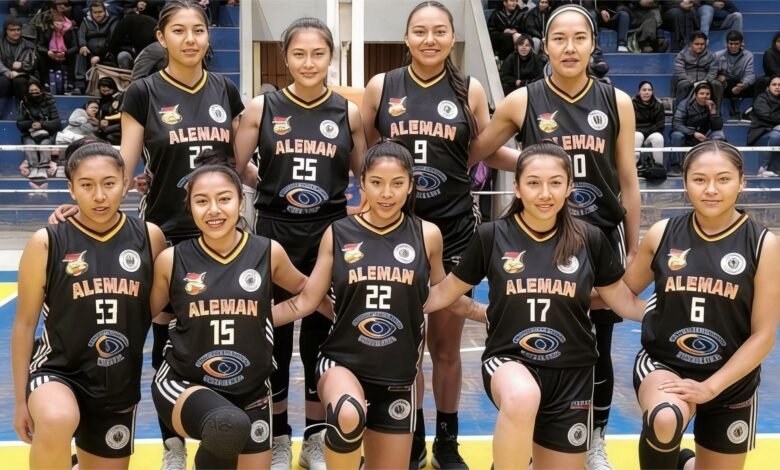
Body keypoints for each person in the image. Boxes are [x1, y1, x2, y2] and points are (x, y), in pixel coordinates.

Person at [51, 1, 245, 467]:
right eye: (179, 30)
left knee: (222, 332)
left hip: (221, 232)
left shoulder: (225, 90)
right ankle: (171, 443)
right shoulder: (143, 91)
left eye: (199, 30)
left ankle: (222, 429)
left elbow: (239, 165)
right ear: (161, 37)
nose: (190, 39)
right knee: (161, 334)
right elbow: (126, 158)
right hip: (165, 231)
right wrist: (89, 202)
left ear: (208, 36)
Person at [468, 5, 640, 469]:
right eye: (559, 38)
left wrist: (633, 243)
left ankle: (594, 438)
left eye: (579, 38)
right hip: (533, 237)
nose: (569, 47)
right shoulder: (523, 100)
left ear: (592, 44)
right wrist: (529, 167)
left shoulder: (617, 102)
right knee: (530, 340)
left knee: (596, 344)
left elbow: (627, 179)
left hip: (598, 236)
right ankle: (526, 442)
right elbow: (480, 151)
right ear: (545, 45)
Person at [361, 2, 518, 467]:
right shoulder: (381, 86)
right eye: (420, 31)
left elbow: (483, 150)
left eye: (439, 31)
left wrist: (539, 162)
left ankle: (447, 442)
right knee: (401, 347)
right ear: (406, 37)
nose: (429, 39)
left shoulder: (469, 89)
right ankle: (409, 438)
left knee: (446, 347)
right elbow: (366, 154)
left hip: (454, 230)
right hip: (393, 233)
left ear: (453, 38)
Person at [425, 142, 645, 470]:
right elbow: (445, 293)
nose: (545, 193)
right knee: (521, 396)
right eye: (533, 183)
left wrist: (668, 310)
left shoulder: (590, 239)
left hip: (573, 372)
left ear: (569, 187)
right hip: (510, 359)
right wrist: (411, 303)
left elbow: (623, 302)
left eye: (555, 183)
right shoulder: (491, 236)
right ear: (516, 187)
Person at [272, 141, 476, 470]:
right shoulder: (338, 232)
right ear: (362, 182)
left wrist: (488, 313)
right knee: (347, 413)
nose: (386, 193)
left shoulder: (428, 235)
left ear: (411, 185)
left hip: (398, 376)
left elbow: (442, 295)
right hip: (342, 362)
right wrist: (253, 318)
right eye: (377, 182)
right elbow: (306, 301)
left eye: (397, 183)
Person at [233, 17, 367, 470]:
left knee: (320, 338)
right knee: (272, 339)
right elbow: (233, 168)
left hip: (329, 234)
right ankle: (277, 437)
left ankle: (314, 436)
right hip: (274, 231)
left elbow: (366, 174)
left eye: (318, 54)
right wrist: (267, 186)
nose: (309, 63)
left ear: (331, 57)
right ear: (285, 58)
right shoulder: (261, 108)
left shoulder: (348, 112)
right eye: (299, 54)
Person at [149, 153, 327, 470]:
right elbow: (140, 314)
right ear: (189, 206)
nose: (214, 210)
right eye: (201, 201)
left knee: (232, 429)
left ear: (241, 202)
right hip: (185, 383)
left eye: (224, 199)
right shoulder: (171, 260)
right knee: (227, 425)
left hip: (251, 389)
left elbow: (305, 291)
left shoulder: (267, 251)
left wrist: (271, 317)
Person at [622, 141, 780, 470]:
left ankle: (684, 464)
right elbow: (623, 292)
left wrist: (710, 387)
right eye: (699, 179)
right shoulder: (662, 233)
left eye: (723, 179)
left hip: (731, 376)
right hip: (665, 364)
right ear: (685, 182)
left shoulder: (764, 244)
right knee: (665, 417)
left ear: (742, 182)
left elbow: (763, 335)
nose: (711, 189)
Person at [12, 141, 167, 470]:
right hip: (57, 370)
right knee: (57, 418)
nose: (99, 196)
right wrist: (21, 402)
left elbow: (152, 307)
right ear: (71, 189)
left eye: (109, 183)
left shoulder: (150, 237)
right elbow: (24, 325)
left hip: (117, 382)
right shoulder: (47, 242)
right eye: (86, 185)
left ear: (125, 184)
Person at [669, 81, 726, 174]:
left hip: (705, 133)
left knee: (719, 135)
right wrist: (693, 133)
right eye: (702, 93)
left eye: (707, 94)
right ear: (695, 95)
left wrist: (713, 112)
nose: (705, 96)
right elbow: (676, 124)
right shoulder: (685, 104)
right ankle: (675, 166)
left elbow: (717, 127)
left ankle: (718, 165)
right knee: (677, 135)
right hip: (688, 133)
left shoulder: (712, 104)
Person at [17, 78, 60, 184]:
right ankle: (33, 169)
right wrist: (31, 124)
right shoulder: (24, 103)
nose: (34, 93)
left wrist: (42, 124)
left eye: (36, 90)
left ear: (41, 90)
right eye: (31, 91)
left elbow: (56, 122)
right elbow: (19, 124)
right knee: (29, 144)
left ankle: (43, 169)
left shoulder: (49, 102)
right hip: (29, 134)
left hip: (47, 133)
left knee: (45, 143)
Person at [76, 1, 118, 92]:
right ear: (91, 13)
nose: (98, 15)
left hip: (106, 52)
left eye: (100, 12)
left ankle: (109, 84)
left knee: (113, 53)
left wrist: (99, 56)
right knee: (81, 53)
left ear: (105, 11)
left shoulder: (112, 20)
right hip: (90, 52)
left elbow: (112, 40)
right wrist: (83, 46)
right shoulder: (85, 21)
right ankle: (80, 85)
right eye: (95, 12)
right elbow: (81, 36)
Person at [672, 31, 722, 106]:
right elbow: (680, 71)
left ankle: (716, 110)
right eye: (697, 44)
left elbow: (713, 71)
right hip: (687, 79)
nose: (700, 46)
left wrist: (704, 82)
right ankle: (679, 110)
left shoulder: (711, 56)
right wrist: (692, 81)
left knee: (717, 84)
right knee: (683, 85)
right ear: (691, 44)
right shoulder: (682, 55)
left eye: (702, 44)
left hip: (706, 80)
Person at [35, 8, 78, 94]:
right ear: (51, 22)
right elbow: (39, 46)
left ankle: (71, 83)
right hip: (50, 55)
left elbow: (75, 47)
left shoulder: (70, 30)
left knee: (74, 56)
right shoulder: (46, 30)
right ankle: (46, 83)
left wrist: (65, 53)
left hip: (65, 55)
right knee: (41, 56)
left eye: (60, 21)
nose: (59, 23)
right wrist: (48, 52)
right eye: (56, 21)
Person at [715, 31, 755, 121]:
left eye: (736, 44)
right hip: (725, 84)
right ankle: (725, 111)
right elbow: (712, 72)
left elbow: (750, 74)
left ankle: (751, 112)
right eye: (731, 44)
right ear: (727, 43)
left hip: (741, 83)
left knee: (758, 83)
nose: (733, 46)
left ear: (741, 44)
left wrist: (744, 84)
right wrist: (719, 76)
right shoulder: (718, 55)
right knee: (718, 84)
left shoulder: (748, 55)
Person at [748, 75, 780, 177]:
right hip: (761, 134)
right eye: (774, 84)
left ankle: (776, 168)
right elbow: (768, 117)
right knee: (776, 135)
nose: (777, 87)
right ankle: (763, 167)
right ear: (768, 87)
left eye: (779, 85)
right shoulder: (761, 99)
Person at [0, 16, 38, 102]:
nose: (16, 32)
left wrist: (22, 65)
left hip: (23, 74)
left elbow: (32, 64)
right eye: (12, 30)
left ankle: (24, 106)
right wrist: (7, 72)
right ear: (6, 31)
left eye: (18, 29)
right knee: (2, 82)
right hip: (3, 74)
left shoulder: (29, 45)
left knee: (19, 81)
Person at [633, 81, 665, 166]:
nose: (647, 92)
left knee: (658, 137)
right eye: (644, 90)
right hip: (636, 133)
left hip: (651, 134)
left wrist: (644, 129)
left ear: (652, 92)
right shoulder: (631, 104)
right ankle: (633, 166)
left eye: (649, 90)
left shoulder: (659, 104)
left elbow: (660, 126)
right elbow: (630, 125)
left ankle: (658, 166)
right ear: (639, 92)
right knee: (638, 135)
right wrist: (645, 129)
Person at [755, 32, 780, 98]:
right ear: (775, 42)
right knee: (762, 81)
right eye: (779, 41)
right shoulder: (769, 53)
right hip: (772, 77)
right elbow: (772, 70)